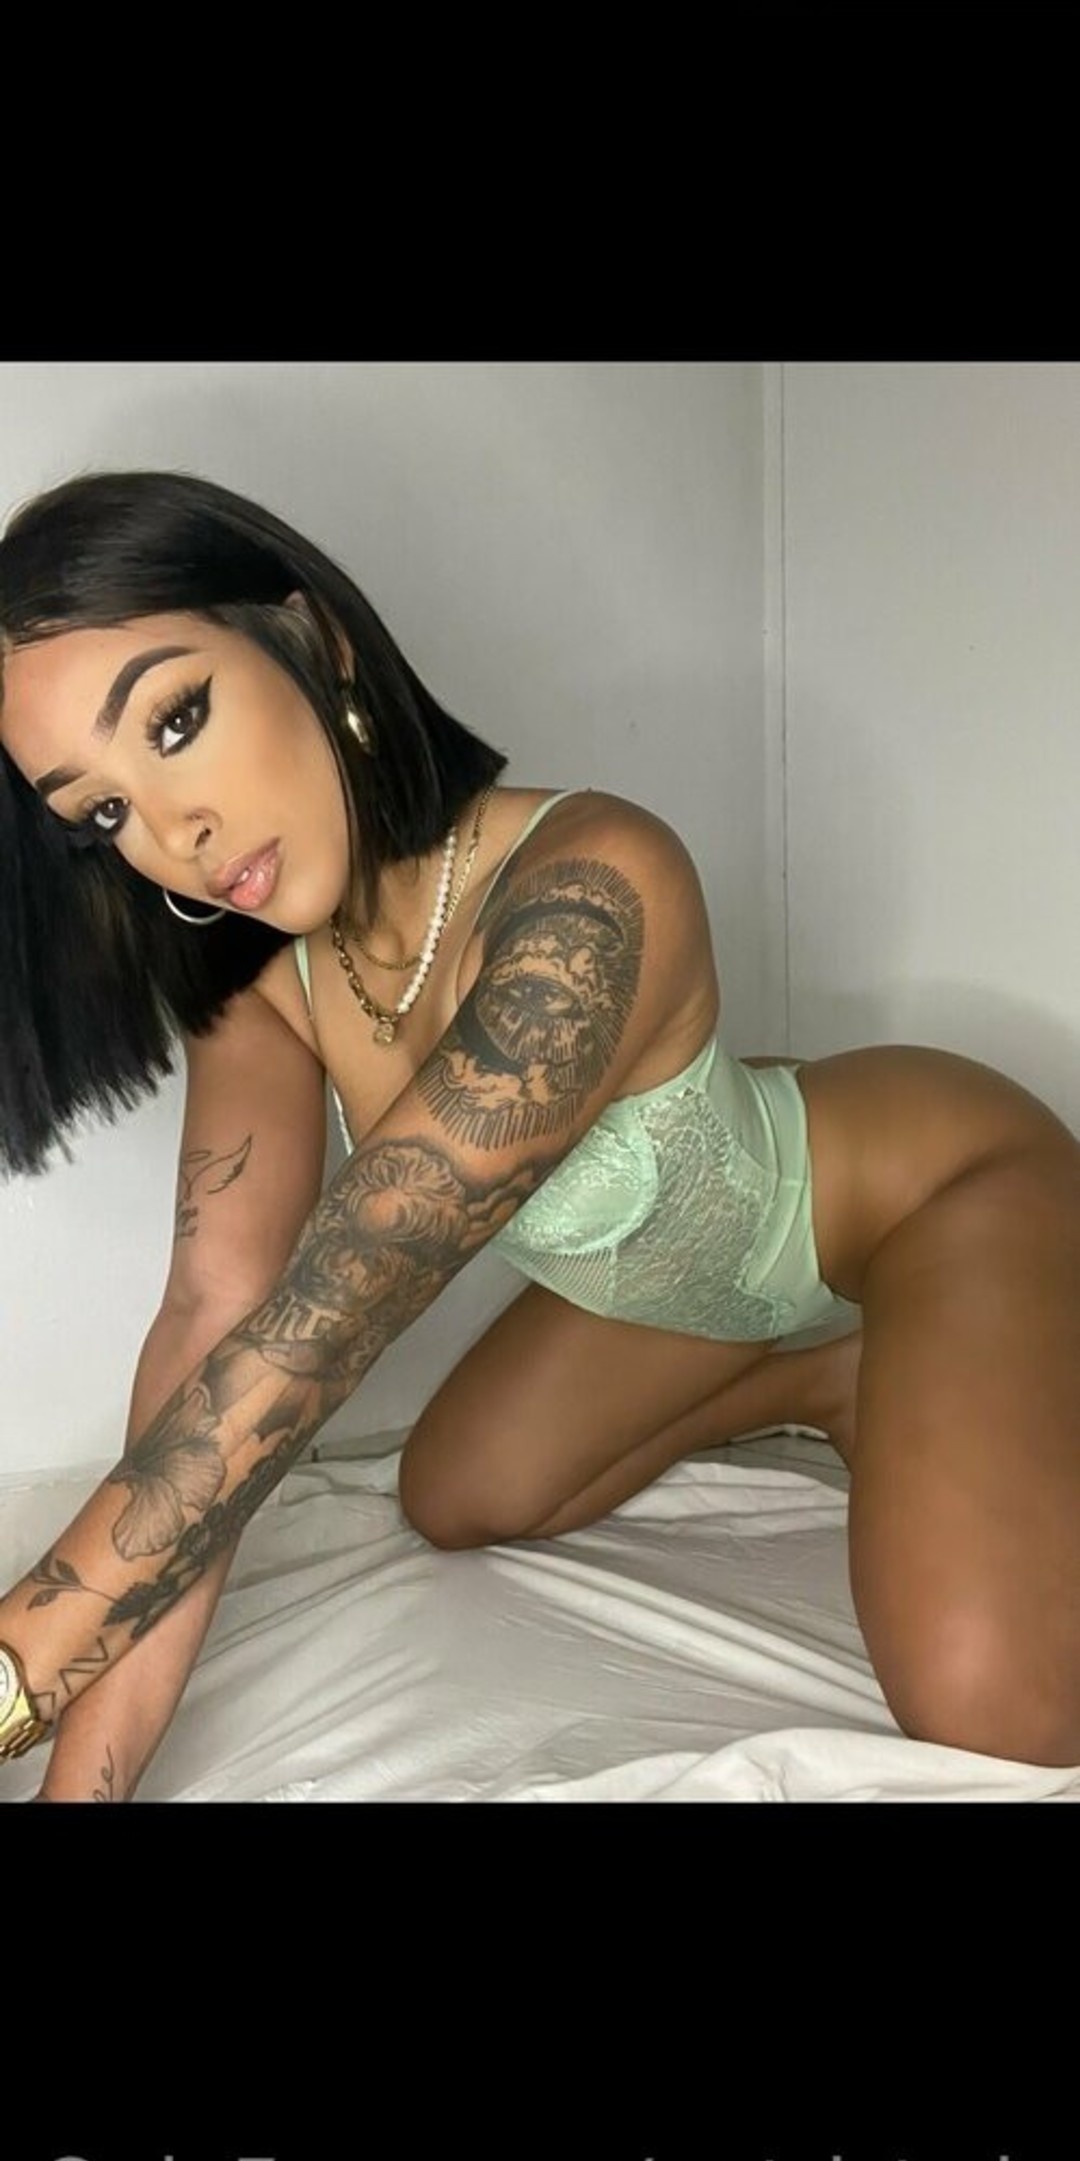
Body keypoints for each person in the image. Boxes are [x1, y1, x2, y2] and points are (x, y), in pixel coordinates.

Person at [0, 468, 1077, 1803]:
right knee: (456, 1495)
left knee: (998, 1712)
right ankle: (832, 1376)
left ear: (311, 636)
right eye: (101, 813)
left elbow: (320, 1329)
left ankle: (933, 1335)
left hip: (930, 1194)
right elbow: (211, 1336)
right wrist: (76, 1792)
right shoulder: (266, 989)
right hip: (694, 1290)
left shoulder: (591, 886)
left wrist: (23, 1657)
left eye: (175, 720)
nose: (174, 833)